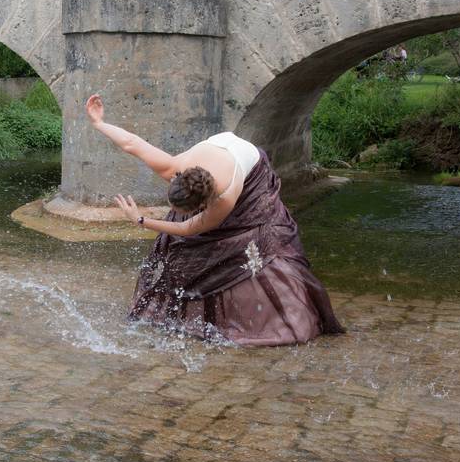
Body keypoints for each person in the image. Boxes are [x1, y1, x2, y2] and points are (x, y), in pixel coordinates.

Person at [85, 94, 344, 346]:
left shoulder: (224, 198)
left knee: (242, 241)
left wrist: (141, 220)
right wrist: (99, 123)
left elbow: (188, 228)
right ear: (177, 179)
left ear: (202, 204)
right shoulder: (177, 166)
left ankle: (278, 316)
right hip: (220, 159)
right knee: (180, 246)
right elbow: (132, 144)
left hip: (250, 172)